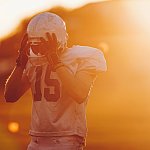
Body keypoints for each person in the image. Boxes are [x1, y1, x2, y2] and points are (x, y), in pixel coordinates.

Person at [4, 12, 107, 150]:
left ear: (56, 39)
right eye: (34, 45)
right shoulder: (35, 60)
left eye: (42, 44)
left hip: (66, 140)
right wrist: (20, 64)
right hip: (35, 140)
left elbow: (79, 93)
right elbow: (10, 96)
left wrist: (55, 62)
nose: (38, 50)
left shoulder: (81, 57)